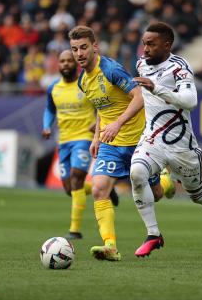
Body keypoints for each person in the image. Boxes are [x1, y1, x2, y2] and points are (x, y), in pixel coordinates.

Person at [130, 22, 202, 259]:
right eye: (144, 43)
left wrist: (157, 88)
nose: (145, 49)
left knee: (198, 195)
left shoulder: (179, 67)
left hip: (182, 146)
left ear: (167, 45)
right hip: (152, 139)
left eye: (151, 44)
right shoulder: (140, 65)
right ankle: (153, 234)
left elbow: (190, 101)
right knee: (137, 173)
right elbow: (144, 97)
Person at [68, 25, 174, 261]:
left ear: (95, 47)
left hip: (139, 140)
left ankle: (166, 183)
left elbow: (139, 98)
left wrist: (117, 123)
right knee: (98, 189)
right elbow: (101, 106)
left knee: (155, 194)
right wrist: (96, 136)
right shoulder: (83, 81)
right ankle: (110, 246)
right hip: (111, 144)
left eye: (84, 47)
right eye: (75, 49)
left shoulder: (111, 69)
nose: (79, 53)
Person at [42, 49, 119, 240]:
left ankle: (74, 230)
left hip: (84, 138)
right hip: (64, 141)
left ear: (75, 63)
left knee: (77, 176)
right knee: (70, 188)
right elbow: (49, 110)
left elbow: (102, 106)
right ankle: (107, 190)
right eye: (62, 61)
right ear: (58, 65)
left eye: (69, 60)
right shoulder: (53, 88)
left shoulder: (84, 84)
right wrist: (46, 126)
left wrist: (98, 124)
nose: (66, 64)